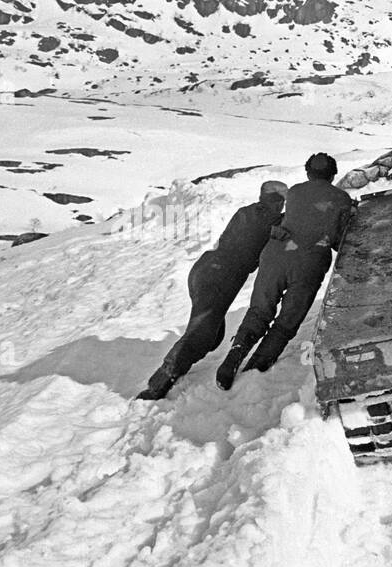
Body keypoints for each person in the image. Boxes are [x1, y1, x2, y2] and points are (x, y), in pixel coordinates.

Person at [137, 180, 289, 401]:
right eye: (281, 202)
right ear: (277, 202)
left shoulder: (246, 212)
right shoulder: (273, 221)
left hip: (204, 270)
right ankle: (158, 385)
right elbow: (287, 229)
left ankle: (182, 361)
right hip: (220, 278)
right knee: (201, 334)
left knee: (213, 335)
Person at [215, 153, 354, 390]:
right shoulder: (342, 198)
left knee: (260, 309)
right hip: (309, 262)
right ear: (333, 174)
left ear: (308, 172)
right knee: (288, 318)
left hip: (276, 254)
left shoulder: (295, 192)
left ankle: (233, 357)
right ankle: (257, 366)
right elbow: (340, 239)